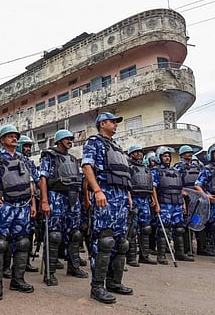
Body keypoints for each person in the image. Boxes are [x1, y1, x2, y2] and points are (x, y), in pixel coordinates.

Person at [82, 112, 133, 304]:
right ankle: (97, 287)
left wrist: (128, 196)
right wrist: (96, 190)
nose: (115, 124)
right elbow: (87, 167)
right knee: (105, 241)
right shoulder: (94, 142)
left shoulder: (117, 147)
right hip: (105, 196)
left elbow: (124, 175)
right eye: (112, 121)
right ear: (103, 124)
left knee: (121, 243)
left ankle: (114, 282)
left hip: (121, 198)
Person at [0, 125, 36, 301]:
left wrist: (33, 203)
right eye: (10, 136)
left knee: (23, 243)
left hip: (23, 206)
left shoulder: (23, 158)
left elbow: (30, 182)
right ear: (2, 139)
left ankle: (18, 280)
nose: (14, 139)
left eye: (16, 136)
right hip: (4, 205)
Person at [39, 129, 88, 286]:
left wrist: (82, 200)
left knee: (75, 235)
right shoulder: (49, 156)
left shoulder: (73, 159)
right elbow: (43, 179)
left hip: (72, 198)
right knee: (54, 236)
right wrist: (44, 201)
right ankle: (50, 273)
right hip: (56, 197)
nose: (70, 141)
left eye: (70, 138)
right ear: (59, 140)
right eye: (67, 138)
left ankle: (73, 267)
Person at [151, 146, 194, 265]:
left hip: (177, 203)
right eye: (165, 156)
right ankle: (161, 255)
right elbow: (153, 188)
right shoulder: (156, 171)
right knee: (163, 230)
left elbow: (180, 188)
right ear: (159, 158)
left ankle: (180, 253)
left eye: (168, 156)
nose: (167, 158)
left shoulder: (176, 171)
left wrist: (183, 204)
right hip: (164, 204)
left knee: (179, 229)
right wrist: (156, 204)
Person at [127, 145, 157, 266]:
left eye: (140, 152)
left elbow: (150, 184)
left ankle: (144, 256)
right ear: (131, 154)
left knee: (146, 228)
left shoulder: (146, 168)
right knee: (132, 230)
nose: (139, 154)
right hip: (134, 198)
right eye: (136, 152)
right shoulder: (129, 167)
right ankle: (131, 258)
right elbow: (126, 184)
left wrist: (152, 197)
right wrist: (129, 198)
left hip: (145, 199)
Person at [174, 145, 202, 257]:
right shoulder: (178, 167)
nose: (189, 154)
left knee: (195, 222)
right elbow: (177, 182)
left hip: (197, 198)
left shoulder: (198, 167)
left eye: (190, 153)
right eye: (187, 153)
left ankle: (198, 248)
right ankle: (185, 249)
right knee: (185, 225)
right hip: (186, 197)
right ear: (181, 155)